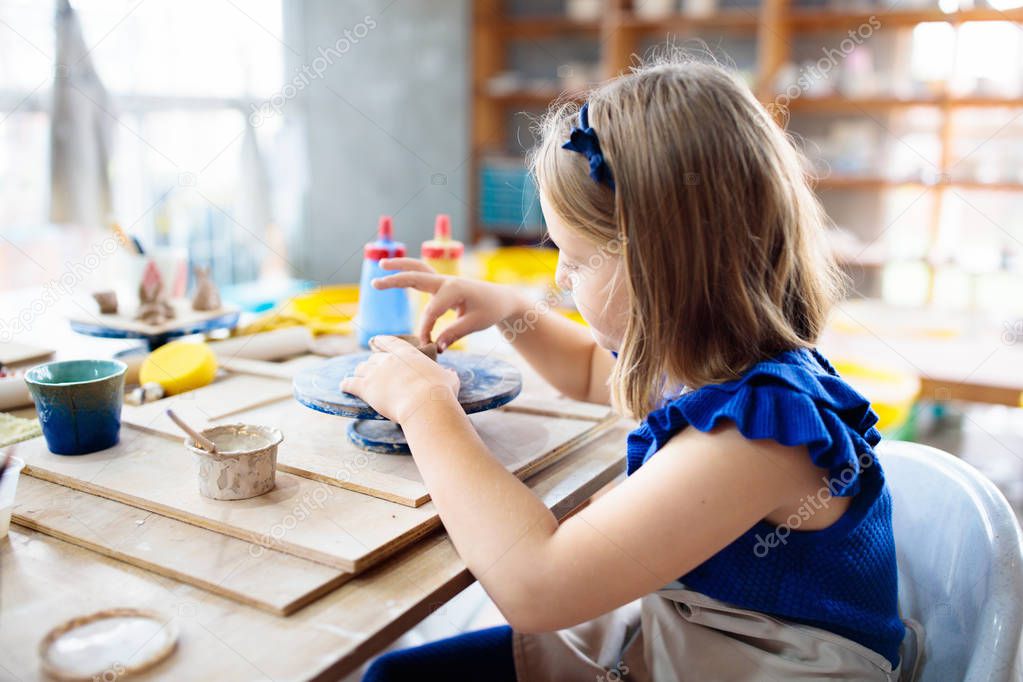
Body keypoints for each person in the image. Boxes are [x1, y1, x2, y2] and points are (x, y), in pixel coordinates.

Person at [347, 56, 916, 682]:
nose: (560, 280)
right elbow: (595, 373)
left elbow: (538, 585)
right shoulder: (708, 360)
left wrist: (427, 407)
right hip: (687, 641)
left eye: (576, 257)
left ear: (660, 266)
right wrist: (509, 310)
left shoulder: (762, 435)